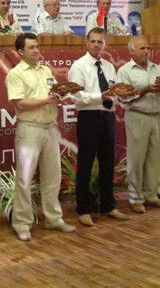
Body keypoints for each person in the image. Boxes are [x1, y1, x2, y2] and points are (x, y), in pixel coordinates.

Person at [5, 32, 76, 241]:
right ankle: (22, 223)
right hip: (29, 128)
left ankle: (54, 219)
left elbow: (53, 94)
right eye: (31, 47)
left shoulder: (46, 70)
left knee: (53, 176)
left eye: (37, 46)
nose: (36, 50)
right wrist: (47, 100)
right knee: (24, 179)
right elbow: (19, 104)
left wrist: (60, 95)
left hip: (50, 128)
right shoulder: (15, 74)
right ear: (20, 52)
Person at [68, 27, 129, 226]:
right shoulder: (79, 66)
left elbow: (115, 92)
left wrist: (122, 96)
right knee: (85, 163)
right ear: (87, 43)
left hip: (108, 117)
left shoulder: (109, 67)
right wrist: (100, 96)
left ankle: (108, 205)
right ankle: (83, 209)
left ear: (105, 44)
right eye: (93, 41)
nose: (96, 45)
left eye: (100, 42)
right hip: (89, 117)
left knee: (108, 162)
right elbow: (76, 96)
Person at [117, 36, 160, 213]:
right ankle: (135, 198)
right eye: (142, 48)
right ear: (131, 51)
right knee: (137, 159)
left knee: (154, 159)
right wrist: (145, 89)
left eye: (148, 48)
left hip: (156, 116)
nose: (147, 51)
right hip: (137, 116)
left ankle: (152, 195)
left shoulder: (157, 68)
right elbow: (123, 97)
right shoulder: (125, 71)